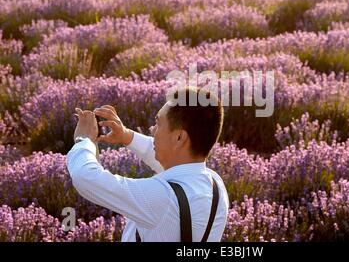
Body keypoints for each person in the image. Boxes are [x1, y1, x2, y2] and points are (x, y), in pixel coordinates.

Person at [67, 86, 229, 242]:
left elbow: (85, 177)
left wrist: (83, 140)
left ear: (179, 138)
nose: (152, 129)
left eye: (158, 123)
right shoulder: (215, 184)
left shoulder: (162, 197)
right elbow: (177, 160)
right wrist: (126, 136)